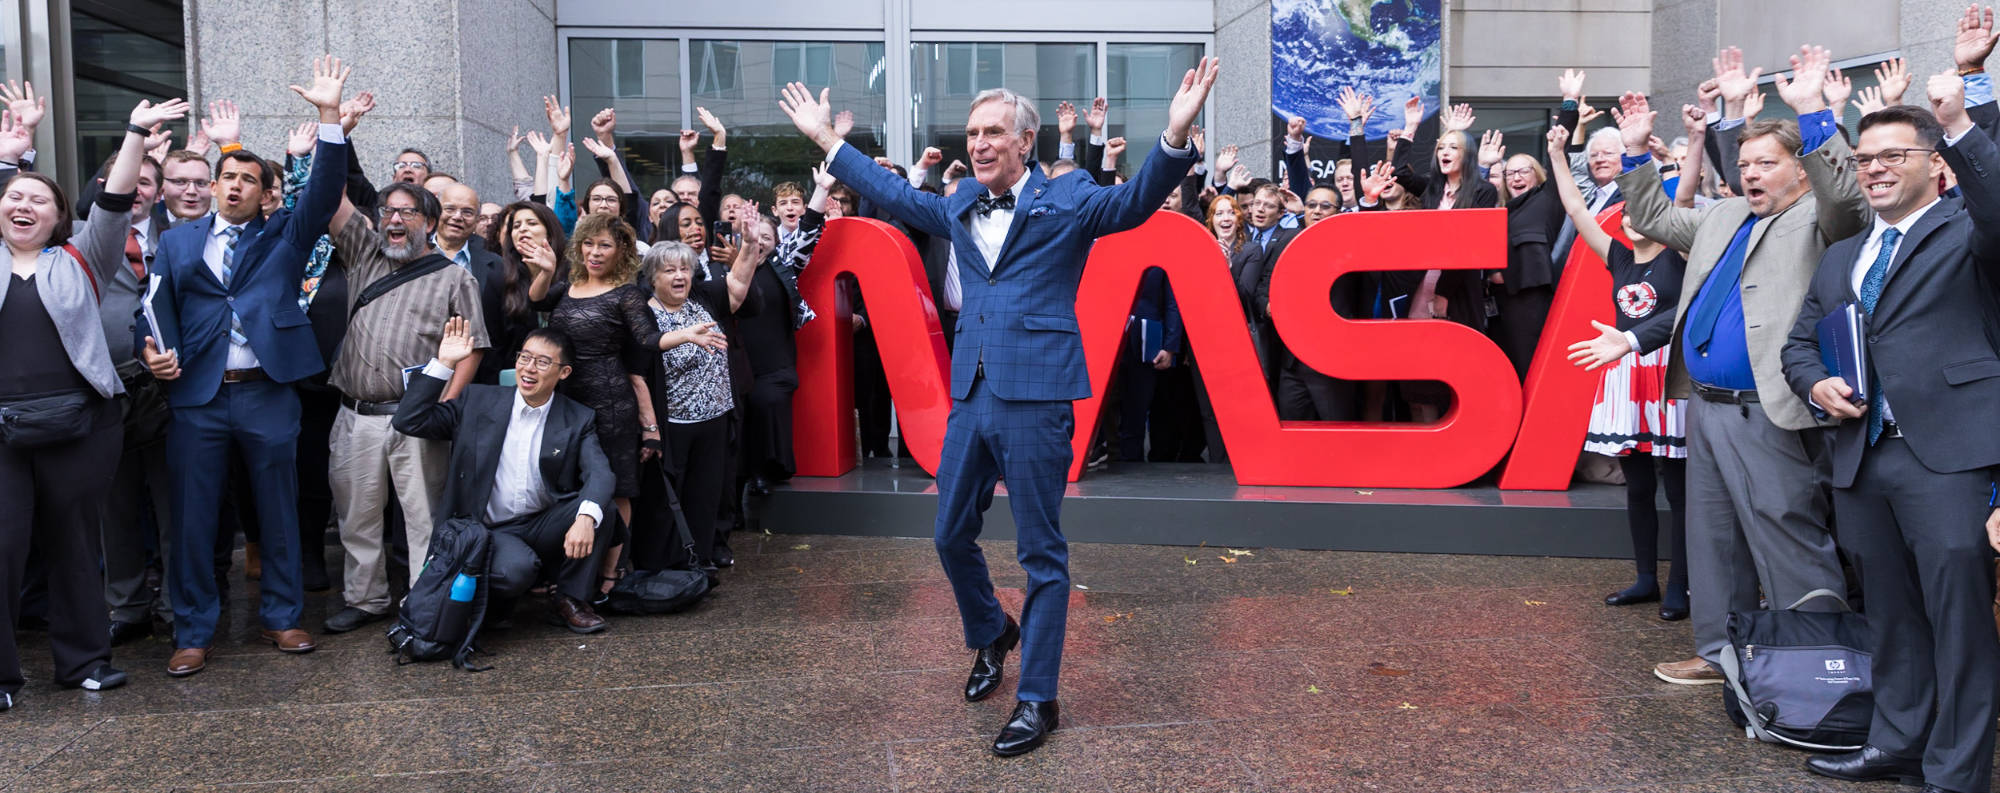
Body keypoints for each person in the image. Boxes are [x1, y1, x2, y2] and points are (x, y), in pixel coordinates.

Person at [778, 56, 1217, 756]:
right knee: (950, 534)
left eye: (991, 132)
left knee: (1042, 552)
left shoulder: (1069, 198)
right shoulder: (957, 202)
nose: (977, 143)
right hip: (971, 395)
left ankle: (1038, 697)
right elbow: (895, 195)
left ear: (1025, 140)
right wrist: (828, 142)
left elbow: (1135, 202)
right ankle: (991, 629)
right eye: (972, 133)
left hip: (1038, 397)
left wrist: (1174, 136)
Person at [1566, 49, 1865, 686]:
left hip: (1768, 408)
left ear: (1802, 169)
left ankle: (1814, 667)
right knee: (1712, 538)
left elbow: (1847, 199)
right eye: (1746, 163)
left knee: (1785, 534)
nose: (1750, 173)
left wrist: (1813, 111)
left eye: (1766, 163)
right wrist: (1638, 153)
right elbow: (1651, 217)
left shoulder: (1821, 217)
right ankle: (1719, 653)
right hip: (1703, 404)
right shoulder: (1725, 214)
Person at [1782, 73, 2000, 793]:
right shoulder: (1844, 254)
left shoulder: (1969, 229)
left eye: (1893, 155)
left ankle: (1957, 770)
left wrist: (1961, 122)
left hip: (1950, 459)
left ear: (1936, 164)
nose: (1874, 168)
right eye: (1864, 158)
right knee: (1892, 614)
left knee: (1959, 618)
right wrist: (1815, 382)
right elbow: (1799, 344)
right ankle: (1898, 742)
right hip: (1863, 457)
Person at [140, 55, 356, 677]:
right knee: (194, 517)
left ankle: (283, 617)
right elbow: (153, 308)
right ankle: (193, 632)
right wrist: (151, 350)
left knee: (278, 510)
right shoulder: (177, 240)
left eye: (247, 180)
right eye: (226, 177)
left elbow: (324, 189)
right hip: (198, 397)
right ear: (213, 186)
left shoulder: (285, 234)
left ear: (265, 194)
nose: (234, 186)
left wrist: (329, 116)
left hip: (268, 393)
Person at [0, 95, 173, 709]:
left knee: (74, 544)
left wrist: (134, 132)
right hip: (3, 432)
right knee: (4, 545)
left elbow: (116, 200)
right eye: (14, 197)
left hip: (82, 424)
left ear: (59, 218)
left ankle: (83, 664)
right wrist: (11, 157)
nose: (23, 206)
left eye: (38, 200)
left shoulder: (82, 257)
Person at [319, 180, 490, 635]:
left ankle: (423, 605)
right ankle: (366, 599)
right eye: (388, 211)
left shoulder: (455, 277)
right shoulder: (363, 257)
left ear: (430, 223)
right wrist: (327, 137)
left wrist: (445, 406)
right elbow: (332, 198)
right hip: (355, 414)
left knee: (422, 518)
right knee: (356, 516)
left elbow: (472, 347)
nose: (394, 220)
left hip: (416, 420)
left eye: (407, 212)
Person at [1548, 125, 1689, 622]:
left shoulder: (1678, 256)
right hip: (1625, 374)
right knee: (1638, 487)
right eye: (1627, 213)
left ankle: (1682, 586)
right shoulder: (1618, 258)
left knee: (1679, 490)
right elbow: (1576, 209)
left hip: (1669, 375)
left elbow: (1684, 197)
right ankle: (1646, 579)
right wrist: (1557, 154)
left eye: (1643, 211)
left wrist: (1687, 143)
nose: (1633, 219)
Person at [392, 321, 615, 634]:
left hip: (540, 523)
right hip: (489, 529)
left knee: (599, 508)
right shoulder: (477, 401)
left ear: (564, 372)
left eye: (542, 362)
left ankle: (570, 598)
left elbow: (600, 472)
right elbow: (409, 420)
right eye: (525, 357)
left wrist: (585, 519)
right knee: (515, 571)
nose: (529, 368)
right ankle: (495, 600)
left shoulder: (577, 417)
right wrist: (444, 363)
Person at [86, 150, 180, 646]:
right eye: (131, 180)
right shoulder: (83, 237)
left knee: (173, 506)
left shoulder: (179, 237)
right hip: (107, 391)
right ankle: (126, 607)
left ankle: (176, 606)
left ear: (158, 192)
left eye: (147, 182)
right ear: (108, 185)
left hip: (169, 392)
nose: (138, 190)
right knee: (115, 507)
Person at [638, 240, 756, 570]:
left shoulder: (702, 298)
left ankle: (700, 562)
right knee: (670, 499)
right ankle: (669, 567)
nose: (679, 276)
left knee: (707, 495)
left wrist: (749, 244)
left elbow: (739, 282)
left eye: (684, 269)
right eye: (669, 270)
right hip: (674, 424)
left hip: (716, 419)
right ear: (653, 277)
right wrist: (649, 427)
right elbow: (638, 370)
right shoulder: (645, 314)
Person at [1490, 144, 1564, 380]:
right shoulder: (1502, 211)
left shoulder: (1547, 199)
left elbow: (1561, 163)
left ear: (1537, 174)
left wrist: (1565, 130)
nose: (1516, 178)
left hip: (1532, 300)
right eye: (1510, 173)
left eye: (1523, 171)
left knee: (1530, 366)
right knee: (1507, 368)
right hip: (1500, 303)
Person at [434, 183, 511, 385]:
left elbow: (507, 330)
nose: (457, 217)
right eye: (450, 209)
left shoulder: (496, 265)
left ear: (477, 220)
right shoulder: (413, 255)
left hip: (478, 379)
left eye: (467, 212)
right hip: (416, 371)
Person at [160, 150, 213, 226]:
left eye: (201, 183)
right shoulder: (147, 229)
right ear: (161, 185)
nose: (191, 191)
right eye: (180, 182)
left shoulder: (228, 229)